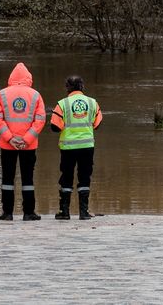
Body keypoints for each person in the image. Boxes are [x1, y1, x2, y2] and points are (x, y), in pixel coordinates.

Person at [0, 62, 47, 221]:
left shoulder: (1, 94)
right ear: (29, 78)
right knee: (28, 179)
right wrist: (27, 139)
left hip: (7, 144)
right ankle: (28, 212)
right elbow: (40, 119)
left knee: (7, 179)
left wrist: (10, 138)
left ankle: (7, 213)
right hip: (28, 145)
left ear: (11, 78)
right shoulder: (35, 95)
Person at [50, 75, 102, 220]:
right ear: (82, 87)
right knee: (84, 177)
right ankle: (83, 213)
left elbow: (54, 127)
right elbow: (97, 125)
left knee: (66, 178)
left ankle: (64, 212)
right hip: (87, 146)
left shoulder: (62, 104)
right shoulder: (93, 103)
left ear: (67, 87)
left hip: (68, 148)